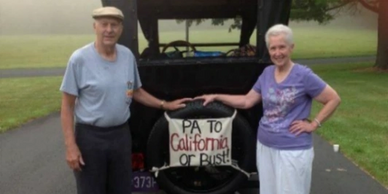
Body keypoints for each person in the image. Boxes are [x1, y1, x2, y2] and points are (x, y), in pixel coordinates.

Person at [196, 24, 341, 194]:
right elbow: (246, 101)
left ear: (291, 47)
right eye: (273, 48)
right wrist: (216, 96)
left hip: (292, 150)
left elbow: (333, 99)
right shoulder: (267, 73)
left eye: (282, 47)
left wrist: (314, 123)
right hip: (265, 146)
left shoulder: (303, 75)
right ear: (268, 50)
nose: (277, 53)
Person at [59, 6, 191, 194]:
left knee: (121, 189)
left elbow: (136, 91)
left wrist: (165, 104)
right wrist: (70, 146)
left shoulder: (127, 56)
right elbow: (67, 105)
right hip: (90, 138)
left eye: (114, 25)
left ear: (121, 29)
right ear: (94, 26)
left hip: (120, 136)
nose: (109, 30)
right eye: (104, 24)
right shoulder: (79, 59)